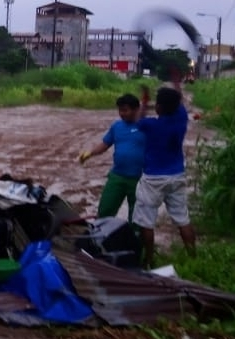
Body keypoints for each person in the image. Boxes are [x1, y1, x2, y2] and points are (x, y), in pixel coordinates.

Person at [132, 85, 196, 268]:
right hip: (177, 175)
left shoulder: (151, 125)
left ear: (158, 107)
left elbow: (138, 120)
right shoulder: (181, 120)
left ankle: (150, 260)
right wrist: (177, 87)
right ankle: (193, 257)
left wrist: (144, 102)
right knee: (183, 219)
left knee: (147, 221)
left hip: (153, 178)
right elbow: (179, 104)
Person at [77, 93, 145, 222]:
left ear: (136, 109)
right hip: (117, 176)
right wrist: (89, 153)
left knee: (137, 217)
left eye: (125, 110)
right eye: (120, 110)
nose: (122, 113)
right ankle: (102, 238)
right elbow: (105, 144)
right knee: (105, 211)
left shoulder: (146, 127)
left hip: (139, 179)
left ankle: (134, 239)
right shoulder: (116, 126)